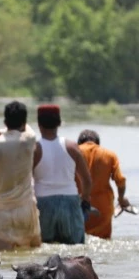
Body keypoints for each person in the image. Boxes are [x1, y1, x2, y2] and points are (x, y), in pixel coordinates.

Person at [0, 101, 41, 251]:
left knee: (4, 259)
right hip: (26, 209)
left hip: (0, 213)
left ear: (5, 121)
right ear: (24, 122)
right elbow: (28, 130)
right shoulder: (28, 140)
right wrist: (0, 132)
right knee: (34, 256)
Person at [32, 104, 93, 244]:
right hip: (70, 202)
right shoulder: (72, 147)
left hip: (43, 204)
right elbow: (87, 181)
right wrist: (84, 200)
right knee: (75, 253)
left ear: (39, 123)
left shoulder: (34, 149)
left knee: (45, 254)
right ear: (59, 123)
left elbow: (26, 181)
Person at [78, 129, 130, 239]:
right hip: (103, 209)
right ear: (97, 143)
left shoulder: (74, 152)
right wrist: (121, 200)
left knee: (76, 245)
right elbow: (120, 180)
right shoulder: (109, 155)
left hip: (78, 207)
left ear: (80, 142)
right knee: (103, 243)